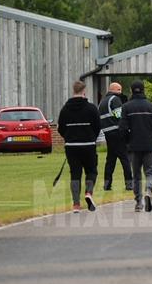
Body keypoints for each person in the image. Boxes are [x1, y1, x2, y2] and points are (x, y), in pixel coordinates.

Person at [120, 80, 152, 212]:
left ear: (131, 91)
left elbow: (122, 129)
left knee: (136, 175)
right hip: (149, 145)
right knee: (150, 171)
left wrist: (129, 140)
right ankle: (148, 190)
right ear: (143, 90)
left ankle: (138, 202)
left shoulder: (126, 107)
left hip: (133, 147)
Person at [57, 80, 101, 213]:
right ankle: (88, 193)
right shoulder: (91, 108)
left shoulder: (65, 109)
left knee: (75, 173)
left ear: (73, 91)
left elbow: (60, 128)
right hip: (88, 145)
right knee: (91, 171)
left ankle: (76, 204)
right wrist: (91, 137)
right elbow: (97, 127)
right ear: (84, 91)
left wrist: (69, 138)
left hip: (71, 146)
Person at [98, 82, 133, 191]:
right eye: (119, 90)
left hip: (108, 133)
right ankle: (129, 184)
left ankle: (107, 184)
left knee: (111, 159)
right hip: (117, 132)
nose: (120, 92)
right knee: (125, 158)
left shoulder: (102, 102)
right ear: (113, 89)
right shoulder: (115, 99)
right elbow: (120, 115)